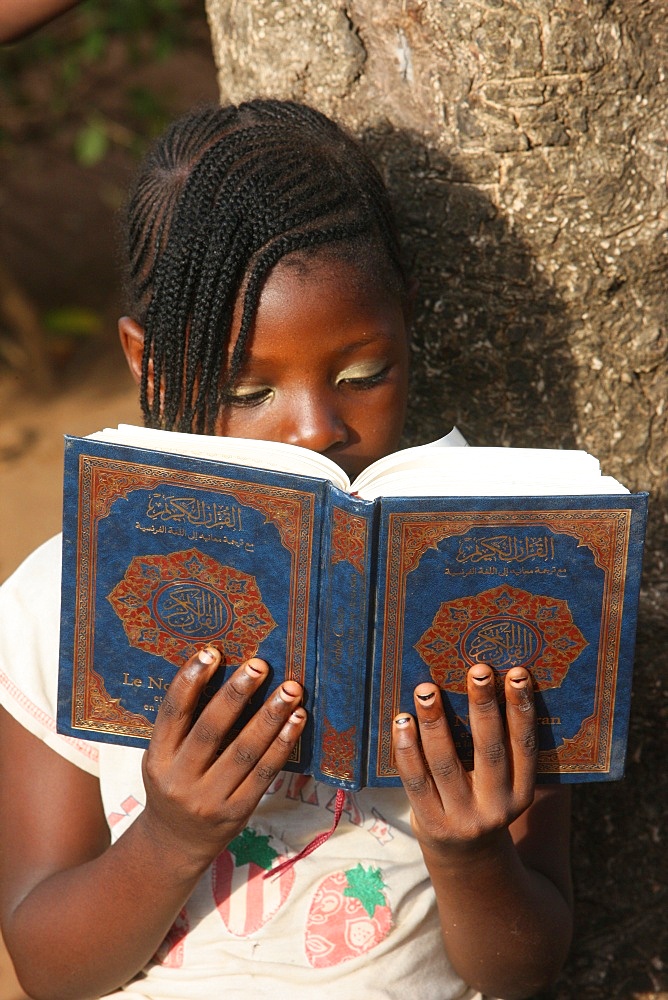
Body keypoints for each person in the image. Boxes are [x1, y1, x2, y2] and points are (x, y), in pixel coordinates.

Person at [0, 100, 573, 1000]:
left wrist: (470, 855)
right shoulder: (55, 603)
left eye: (362, 375)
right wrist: (170, 838)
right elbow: (46, 965)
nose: (314, 430)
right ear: (146, 364)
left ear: (407, 325)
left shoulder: (497, 588)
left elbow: (526, 964)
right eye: (248, 387)